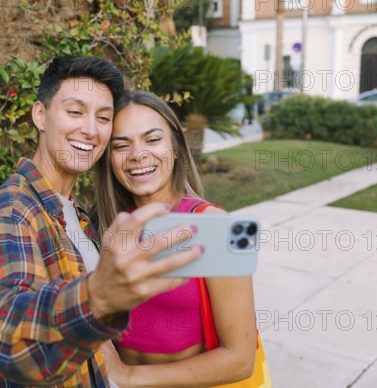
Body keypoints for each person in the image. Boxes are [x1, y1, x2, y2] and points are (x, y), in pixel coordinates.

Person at [0, 57, 203, 387]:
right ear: (40, 115)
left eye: (103, 118)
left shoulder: (77, 217)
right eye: (75, 112)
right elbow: (9, 343)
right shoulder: (13, 212)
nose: (90, 130)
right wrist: (98, 295)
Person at [94, 90, 258, 387]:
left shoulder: (214, 227)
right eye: (121, 145)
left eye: (153, 139)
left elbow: (240, 359)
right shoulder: (105, 226)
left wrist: (129, 376)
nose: (138, 155)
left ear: (177, 147)